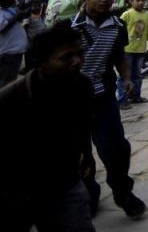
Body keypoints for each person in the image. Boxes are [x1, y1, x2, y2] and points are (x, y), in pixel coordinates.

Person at [1, 22, 96, 232]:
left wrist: (87, 156)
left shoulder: (82, 85)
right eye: (66, 57)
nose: (77, 61)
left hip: (65, 182)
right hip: (18, 188)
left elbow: (82, 127)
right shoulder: (10, 100)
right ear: (41, 61)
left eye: (80, 54)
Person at [70, 0, 145, 219]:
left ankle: (123, 192)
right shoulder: (70, 27)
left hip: (103, 95)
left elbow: (118, 57)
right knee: (80, 152)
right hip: (73, 100)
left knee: (115, 147)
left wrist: (126, 78)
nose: (105, 0)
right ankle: (89, 193)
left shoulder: (117, 26)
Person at [118, 0, 148, 109]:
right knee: (124, 76)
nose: (141, 3)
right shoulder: (127, 14)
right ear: (131, 1)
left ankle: (136, 96)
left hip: (140, 49)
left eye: (143, 0)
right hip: (127, 49)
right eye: (137, 0)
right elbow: (119, 29)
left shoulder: (147, 14)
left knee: (137, 75)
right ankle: (122, 100)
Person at [0, 0, 29, 86]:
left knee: (11, 79)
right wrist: (17, 17)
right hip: (8, 53)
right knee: (6, 82)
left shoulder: (9, 9)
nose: (13, 0)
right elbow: (1, 27)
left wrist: (22, 14)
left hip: (15, 52)